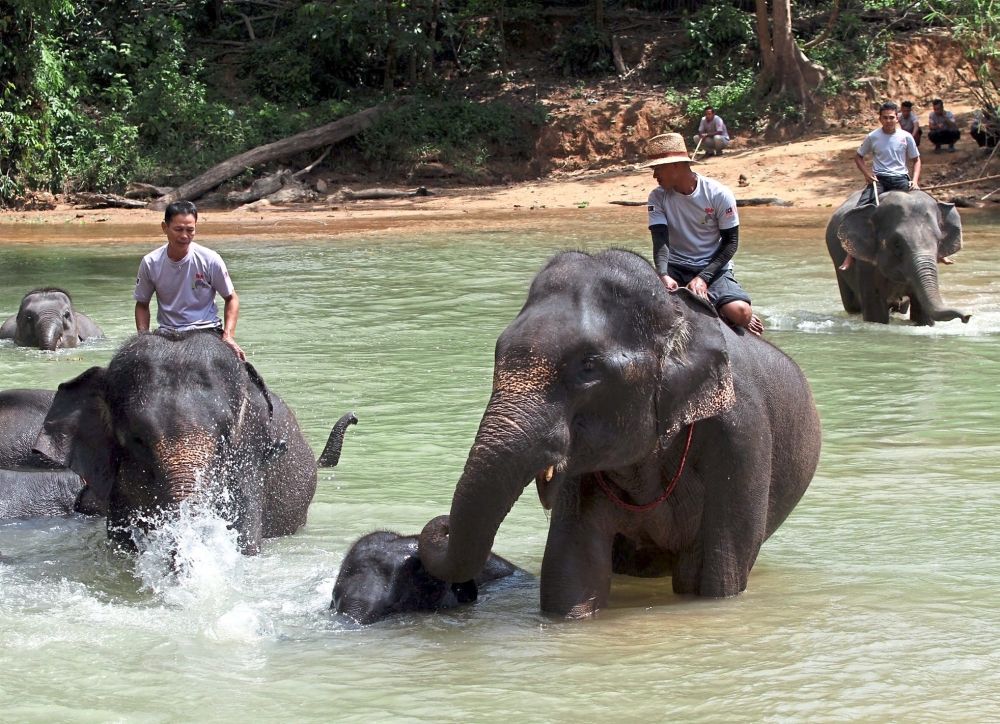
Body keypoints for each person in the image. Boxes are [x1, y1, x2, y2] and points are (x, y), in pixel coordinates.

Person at [643, 132, 763, 335]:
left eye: (658, 169)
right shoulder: (657, 197)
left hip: (712, 266)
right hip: (675, 266)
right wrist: (663, 274)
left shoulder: (717, 194)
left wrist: (703, 278)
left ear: (676, 165)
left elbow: (730, 243)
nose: (655, 176)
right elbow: (660, 241)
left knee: (741, 313)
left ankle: (723, 306)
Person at [134, 200, 246, 360]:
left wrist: (228, 336)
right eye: (178, 229)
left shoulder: (210, 259)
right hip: (167, 334)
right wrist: (143, 338)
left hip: (207, 330)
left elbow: (231, 298)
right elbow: (142, 305)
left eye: (190, 230)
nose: (184, 236)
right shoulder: (151, 262)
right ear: (164, 228)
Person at [839, 101, 921, 271]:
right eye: (885, 118)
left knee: (924, 207)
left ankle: (938, 251)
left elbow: (916, 160)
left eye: (892, 117)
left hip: (901, 178)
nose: (889, 121)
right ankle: (851, 254)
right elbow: (858, 157)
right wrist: (867, 175)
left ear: (897, 118)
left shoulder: (906, 137)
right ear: (880, 119)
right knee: (861, 210)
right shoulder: (873, 136)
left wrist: (915, 180)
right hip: (880, 180)